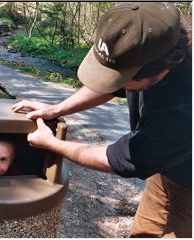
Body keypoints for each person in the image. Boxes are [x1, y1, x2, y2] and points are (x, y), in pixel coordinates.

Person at [12, 2, 191, 238]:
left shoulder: (182, 108)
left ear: (160, 70)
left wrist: (53, 144)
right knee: (144, 231)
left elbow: (121, 159)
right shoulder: (149, 40)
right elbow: (110, 85)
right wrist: (55, 109)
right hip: (167, 167)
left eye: (122, 79)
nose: (117, 84)